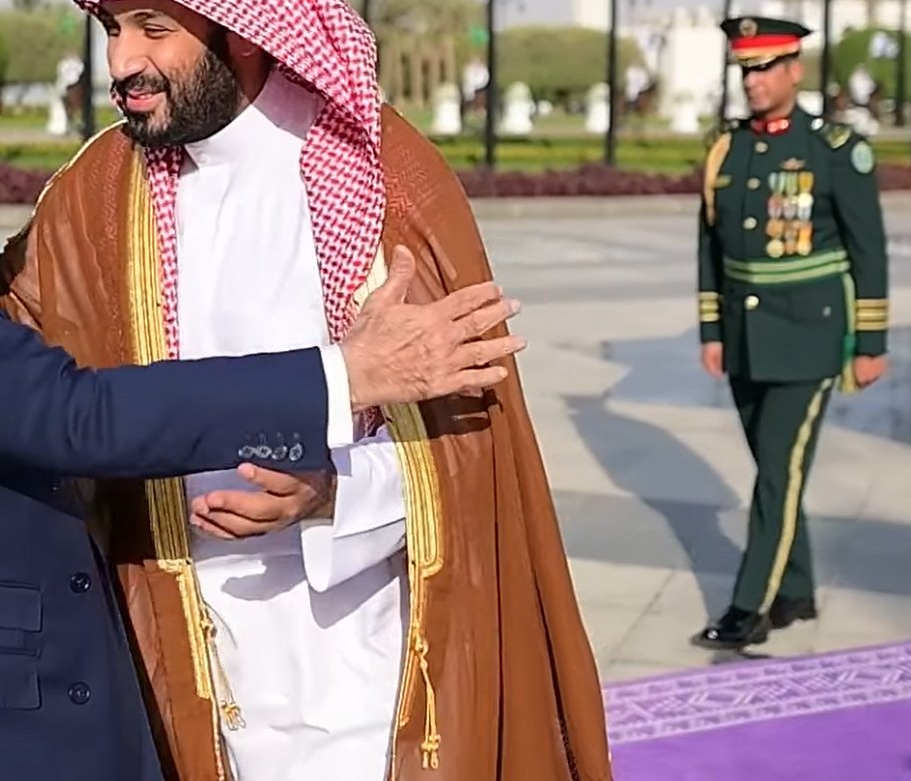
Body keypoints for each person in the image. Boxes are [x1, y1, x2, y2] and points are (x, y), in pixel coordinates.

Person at [0, 0, 610, 781]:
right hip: (172, 668)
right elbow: (53, 408)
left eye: (154, 28)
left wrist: (333, 498)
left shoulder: (387, 179)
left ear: (243, 28)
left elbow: (471, 455)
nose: (124, 61)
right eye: (111, 29)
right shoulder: (95, 196)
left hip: (355, 674)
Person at [0, 248, 521, 781]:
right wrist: (347, 375)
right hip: (91, 682)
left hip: (351, 655)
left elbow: (451, 468)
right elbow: (78, 415)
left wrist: (337, 486)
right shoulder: (80, 223)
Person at [694, 15, 889, 651]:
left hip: (810, 338)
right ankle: (797, 591)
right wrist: (712, 329)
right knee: (775, 468)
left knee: (776, 471)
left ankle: (749, 606)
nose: (752, 82)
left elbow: (869, 250)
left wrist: (871, 343)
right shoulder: (728, 148)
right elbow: (710, 245)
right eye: (745, 71)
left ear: (794, 71)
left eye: (764, 69)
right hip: (745, 336)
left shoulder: (835, 150)